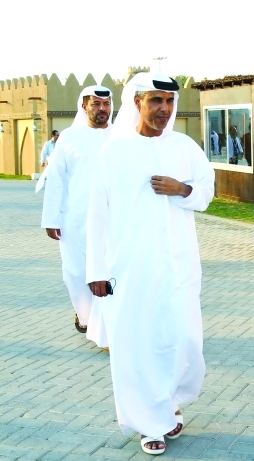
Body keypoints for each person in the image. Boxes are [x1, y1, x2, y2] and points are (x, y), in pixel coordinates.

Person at [85, 72, 215, 455]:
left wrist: (182, 189)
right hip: (130, 269)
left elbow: (207, 191)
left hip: (180, 267)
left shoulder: (185, 147)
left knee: (182, 340)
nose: (164, 109)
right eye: (156, 100)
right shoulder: (114, 152)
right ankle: (149, 423)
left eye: (170, 101)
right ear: (137, 102)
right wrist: (96, 270)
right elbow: (97, 214)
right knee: (137, 345)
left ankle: (168, 403)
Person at [40, 86, 113, 345]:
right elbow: (56, 179)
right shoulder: (69, 138)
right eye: (96, 103)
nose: (102, 108)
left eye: (106, 103)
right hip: (75, 219)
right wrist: (51, 219)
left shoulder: (121, 136)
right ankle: (85, 316)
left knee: (109, 270)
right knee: (75, 272)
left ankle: (105, 328)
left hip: (112, 220)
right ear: (84, 106)